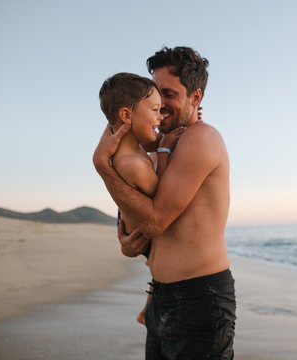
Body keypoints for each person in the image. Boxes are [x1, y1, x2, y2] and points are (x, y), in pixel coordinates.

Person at [93, 46, 235, 359]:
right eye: (156, 95)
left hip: (201, 300)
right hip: (160, 295)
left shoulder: (202, 138)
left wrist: (103, 166)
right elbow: (145, 218)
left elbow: (155, 221)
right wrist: (130, 242)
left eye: (169, 94)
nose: (161, 106)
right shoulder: (161, 147)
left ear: (195, 97)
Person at [99, 72, 184, 325]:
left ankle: (146, 310)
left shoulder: (127, 148)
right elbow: (162, 190)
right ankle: (146, 311)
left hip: (127, 218)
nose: (160, 116)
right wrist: (165, 148)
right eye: (156, 109)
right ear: (126, 116)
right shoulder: (134, 164)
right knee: (155, 264)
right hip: (139, 232)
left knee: (153, 268)